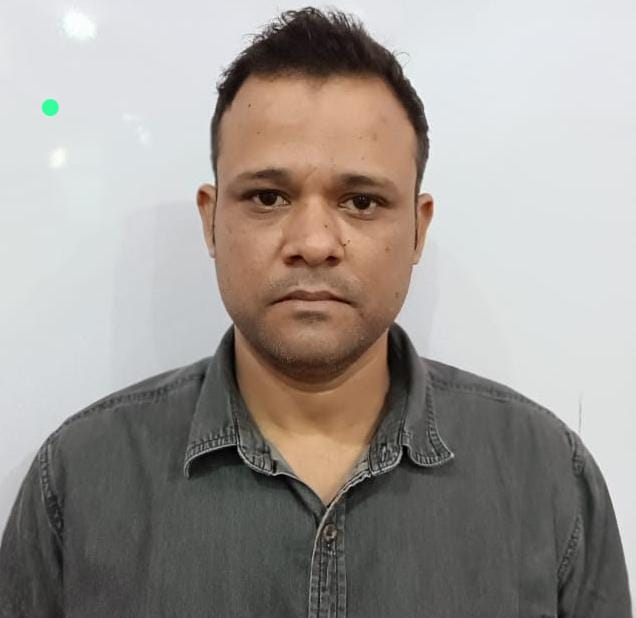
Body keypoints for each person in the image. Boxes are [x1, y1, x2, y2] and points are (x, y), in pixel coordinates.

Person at [0, 5, 631, 617]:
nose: (313, 242)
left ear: (418, 229)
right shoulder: (77, 484)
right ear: (211, 220)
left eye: (361, 202)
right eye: (268, 197)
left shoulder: (548, 480)